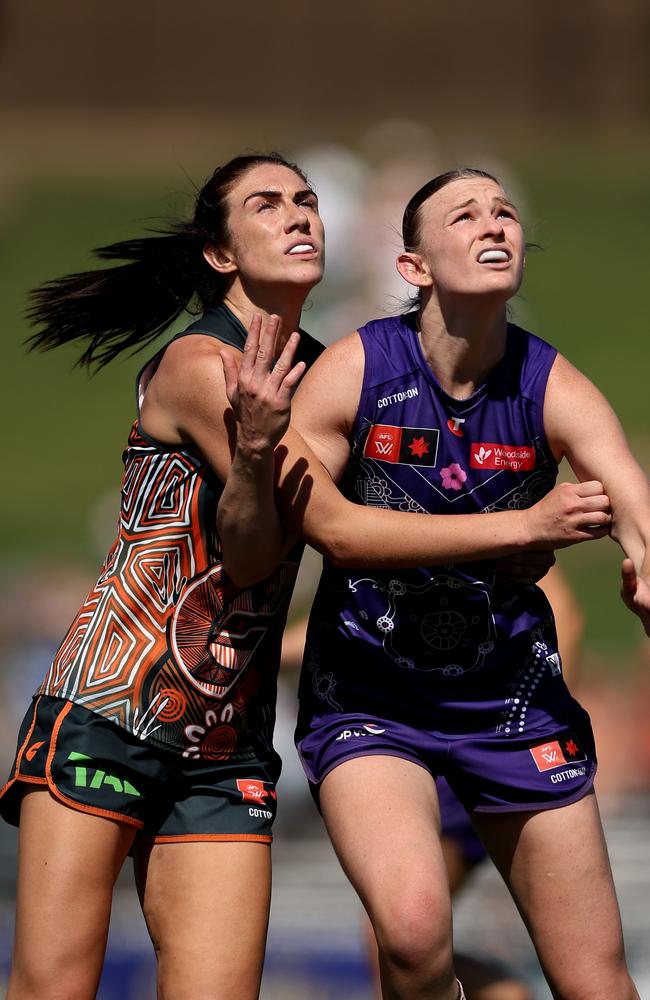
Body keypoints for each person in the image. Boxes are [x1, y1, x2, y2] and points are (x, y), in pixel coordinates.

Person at [0, 155, 608, 1000]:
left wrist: (504, 557)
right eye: (268, 204)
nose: (299, 217)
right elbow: (292, 542)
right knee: (54, 986)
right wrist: (521, 526)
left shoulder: (334, 376)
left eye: (308, 201)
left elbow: (404, 521)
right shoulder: (200, 363)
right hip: (111, 704)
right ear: (221, 254)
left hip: (230, 741)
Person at [219, 167, 649, 1000]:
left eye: (506, 213)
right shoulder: (357, 370)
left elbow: (633, 502)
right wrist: (526, 527)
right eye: (465, 215)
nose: (494, 225)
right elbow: (333, 531)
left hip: (512, 700)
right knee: (413, 940)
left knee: (595, 979)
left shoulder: (550, 381)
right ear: (413, 266)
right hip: (372, 699)